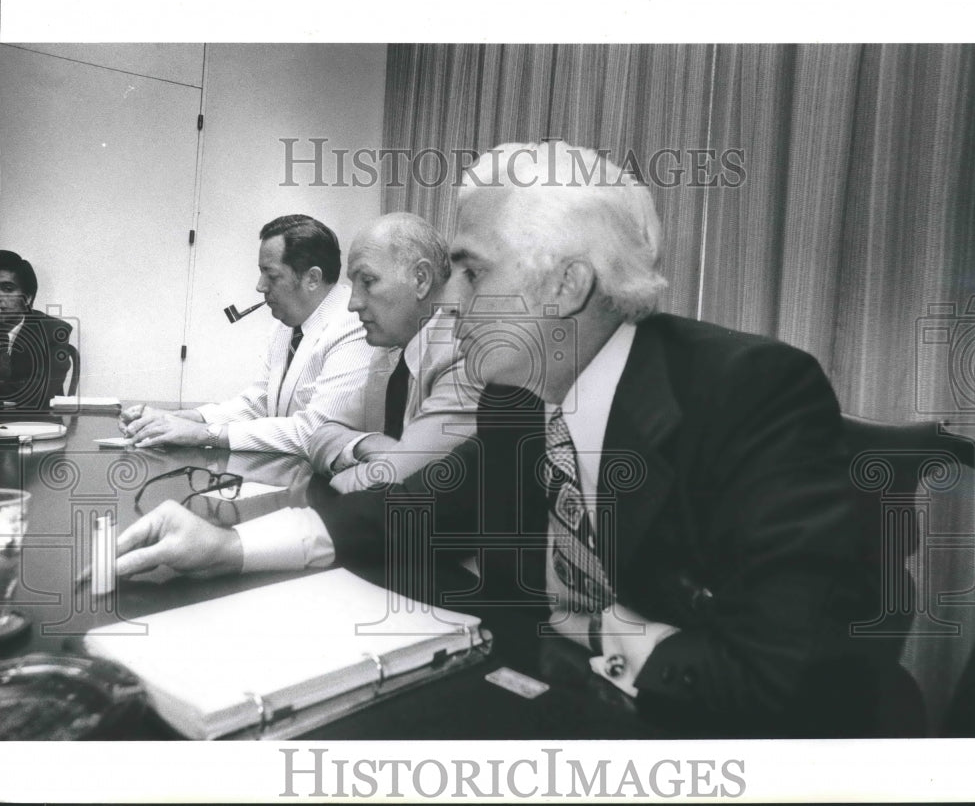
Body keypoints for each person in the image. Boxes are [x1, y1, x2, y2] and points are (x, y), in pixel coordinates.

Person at [104, 143, 877, 736]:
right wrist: (228, 546)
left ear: (564, 285)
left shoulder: (751, 390)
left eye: (471, 272)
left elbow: (783, 675)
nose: (449, 299)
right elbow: (415, 512)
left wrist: (597, 629)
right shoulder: (521, 398)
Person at [120, 215, 385, 456]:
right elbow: (257, 404)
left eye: (271, 275)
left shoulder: (355, 324)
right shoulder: (287, 324)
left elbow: (315, 432)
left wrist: (202, 434)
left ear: (312, 278)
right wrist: (176, 418)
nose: (260, 286)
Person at [309, 211, 480, 493]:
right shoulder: (390, 355)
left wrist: (345, 474)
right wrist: (367, 444)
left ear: (420, 279)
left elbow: (398, 481)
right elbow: (320, 437)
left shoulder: (463, 352)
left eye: (368, 281)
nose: (353, 304)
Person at [0, 250, 73, 412]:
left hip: (37, 425)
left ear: (27, 298)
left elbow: (38, 391)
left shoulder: (54, 332)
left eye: (7, 289)